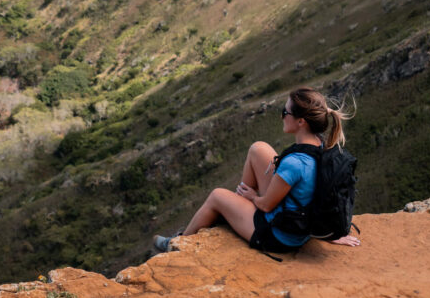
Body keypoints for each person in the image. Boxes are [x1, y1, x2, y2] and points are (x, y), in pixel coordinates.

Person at [153, 87, 360, 254]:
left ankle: (177, 244)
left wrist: (252, 197)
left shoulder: (295, 164)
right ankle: (232, 213)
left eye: (285, 112)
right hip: (299, 220)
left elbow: (266, 205)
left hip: (279, 236)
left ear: (300, 121)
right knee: (258, 149)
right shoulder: (322, 146)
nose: (282, 116)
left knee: (217, 195)